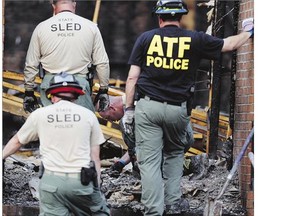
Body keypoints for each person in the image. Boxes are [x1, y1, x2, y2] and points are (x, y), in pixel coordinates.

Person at [122, 0, 254, 215]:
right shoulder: (195, 38)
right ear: (181, 17)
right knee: (174, 154)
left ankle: (153, 211)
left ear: (159, 17)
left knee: (149, 162)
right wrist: (249, 32)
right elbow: (229, 44)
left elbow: (132, 77)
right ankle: (173, 203)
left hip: (148, 107)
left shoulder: (146, 38)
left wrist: (129, 110)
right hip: (178, 110)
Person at [3, 72, 110, 216]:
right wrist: (95, 188)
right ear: (77, 96)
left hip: (51, 183)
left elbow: (17, 141)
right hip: (81, 182)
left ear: (52, 96)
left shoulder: (40, 115)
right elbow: (95, 157)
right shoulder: (88, 116)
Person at [23, 0, 110, 113]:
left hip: (51, 85)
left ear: (53, 6)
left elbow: (31, 64)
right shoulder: (90, 27)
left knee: (51, 126)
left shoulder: (41, 28)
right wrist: (103, 90)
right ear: (74, 4)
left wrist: (29, 92)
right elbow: (102, 62)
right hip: (79, 85)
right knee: (82, 126)